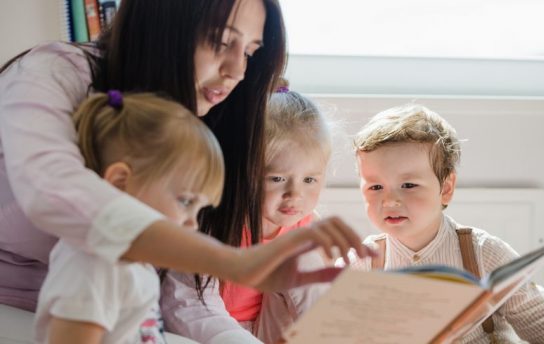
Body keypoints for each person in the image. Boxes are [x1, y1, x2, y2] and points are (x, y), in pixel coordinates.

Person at [0, 0, 372, 336]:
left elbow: (191, 299)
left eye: (250, 52)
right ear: (165, 24)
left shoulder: (200, 118)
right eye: (222, 42)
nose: (236, 71)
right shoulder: (54, 73)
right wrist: (235, 263)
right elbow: (52, 190)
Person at [347, 104, 544, 343]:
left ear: (446, 189)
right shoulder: (360, 262)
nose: (390, 201)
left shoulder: (484, 252)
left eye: (408, 185)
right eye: (375, 187)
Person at [35, 91, 226, 343]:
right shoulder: (95, 265)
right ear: (120, 182)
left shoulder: (134, 261)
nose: (193, 223)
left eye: (199, 208)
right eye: (185, 201)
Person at [160, 82, 333, 343]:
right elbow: (190, 304)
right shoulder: (215, 221)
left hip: (270, 325)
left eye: (310, 180)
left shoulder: (305, 224)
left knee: (308, 259)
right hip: (219, 328)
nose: (295, 195)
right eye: (276, 179)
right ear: (245, 175)